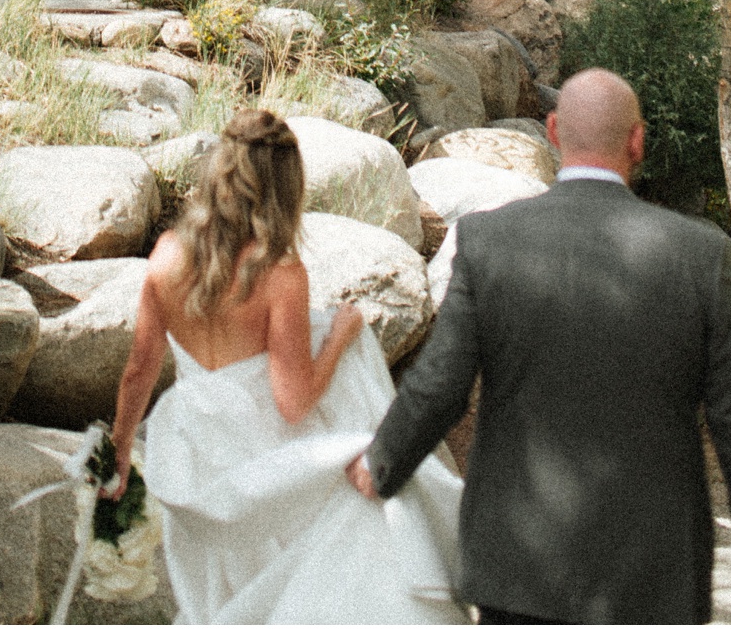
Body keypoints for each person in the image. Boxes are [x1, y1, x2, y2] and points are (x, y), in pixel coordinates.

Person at [349, 67, 731, 625]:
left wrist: (381, 463)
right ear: (638, 141)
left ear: (555, 131)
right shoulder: (699, 255)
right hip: (653, 580)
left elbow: (439, 386)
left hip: (519, 572)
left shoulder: (490, 242)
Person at [108, 107, 467, 623]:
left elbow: (139, 369)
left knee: (223, 598)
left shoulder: (165, 254)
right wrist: (341, 337)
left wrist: (120, 453)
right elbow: (294, 402)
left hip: (197, 452)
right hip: (262, 456)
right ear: (285, 189)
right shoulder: (280, 274)